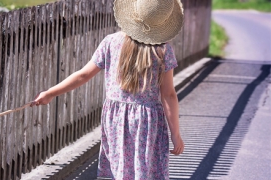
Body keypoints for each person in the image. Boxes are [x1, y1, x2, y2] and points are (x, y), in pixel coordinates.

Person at [32, 0, 184, 179]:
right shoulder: (163, 51)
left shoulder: (110, 42)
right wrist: (175, 134)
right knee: (146, 170)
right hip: (147, 121)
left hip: (117, 119)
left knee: (121, 169)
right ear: (162, 23)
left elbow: (83, 75)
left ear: (132, 15)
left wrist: (50, 93)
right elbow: (168, 94)